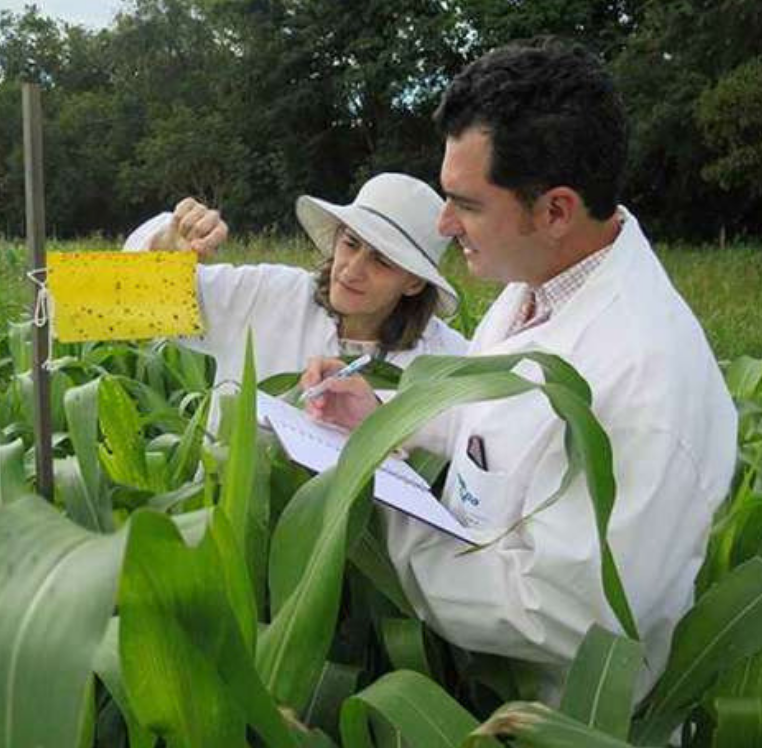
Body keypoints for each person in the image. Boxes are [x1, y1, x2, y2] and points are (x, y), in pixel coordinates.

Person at [302, 39, 737, 702]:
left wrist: (382, 494)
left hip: (554, 717)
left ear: (556, 209)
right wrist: (389, 420)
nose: (445, 225)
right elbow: (505, 425)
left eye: (467, 204)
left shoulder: (648, 382)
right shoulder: (535, 282)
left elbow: (557, 613)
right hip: (475, 684)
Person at [123, 172, 468, 432]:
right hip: (229, 519)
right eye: (350, 243)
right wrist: (166, 253)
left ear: (413, 282)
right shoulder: (268, 294)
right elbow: (127, 304)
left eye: (382, 261)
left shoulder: (448, 362)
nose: (352, 269)